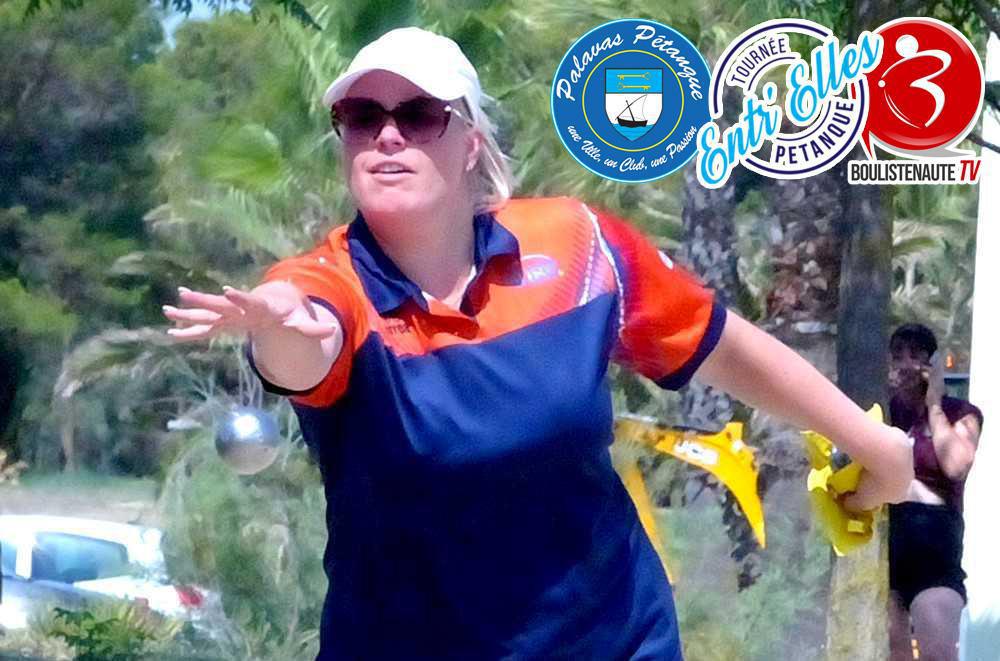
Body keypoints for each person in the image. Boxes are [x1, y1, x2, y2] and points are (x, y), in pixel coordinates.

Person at [163, 26, 913, 660]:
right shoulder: (325, 282)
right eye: (362, 116)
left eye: (419, 114)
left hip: (615, 639)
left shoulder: (578, 247)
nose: (387, 134)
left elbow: (722, 344)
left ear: (469, 145)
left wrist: (876, 448)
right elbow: (303, 350)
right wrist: (281, 322)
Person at [886, 324, 982, 661]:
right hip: (888, 538)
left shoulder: (961, 414)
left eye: (916, 355)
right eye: (898, 354)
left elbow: (956, 465)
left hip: (935, 543)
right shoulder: (883, 411)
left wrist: (934, 404)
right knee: (891, 650)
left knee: (938, 652)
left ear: (932, 363)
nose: (906, 364)